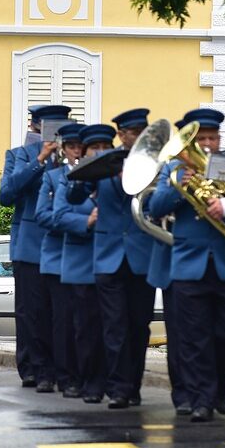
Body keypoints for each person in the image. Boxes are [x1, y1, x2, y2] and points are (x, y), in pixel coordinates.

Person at [148, 108, 225, 421]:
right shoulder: (173, 170)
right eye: (201, 138)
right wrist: (180, 186)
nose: (206, 144)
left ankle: (219, 386)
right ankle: (202, 400)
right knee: (195, 338)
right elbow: (155, 206)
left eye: (212, 137)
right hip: (189, 264)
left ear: (219, 139)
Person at [93, 108, 160, 408]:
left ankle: (133, 385)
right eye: (133, 133)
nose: (138, 138)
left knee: (139, 325)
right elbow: (73, 195)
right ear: (121, 135)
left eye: (141, 132)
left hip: (141, 255)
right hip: (109, 256)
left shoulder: (156, 164)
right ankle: (118, 387)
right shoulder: (105, 162)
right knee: (114, 326)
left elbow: (158, 205)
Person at [0, 104, 69, 394]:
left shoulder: (71, 156)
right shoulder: (19, 155)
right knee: (31, 312)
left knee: (61, 312)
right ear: (36, 125)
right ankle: (33, 368)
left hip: (64, 242)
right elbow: (6, 194)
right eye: (50, 125)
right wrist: (39, 160)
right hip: (30, 244)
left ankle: (60, 368)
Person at [48, 124, 116, 404]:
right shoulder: (70, 179)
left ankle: (112, 381)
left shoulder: (118, 178)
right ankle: (86, 381)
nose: (98, 153)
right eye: (93, 149)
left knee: (111, 327)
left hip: (112, 259)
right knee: (84, 328)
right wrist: (86, 221)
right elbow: (57, 215)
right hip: (80, 262)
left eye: (104, 149)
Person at [36, 123, 85, 397]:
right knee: (61, 321)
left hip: (85, 257)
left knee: (84, 321)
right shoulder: (53, 177)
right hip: (57, 257)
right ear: (64, 149)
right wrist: (74, 222)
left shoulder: (95, 176)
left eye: (80, 147)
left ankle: (83, 372)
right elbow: (43, 215)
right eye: (72, 147)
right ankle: (63, 376)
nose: (77, 152)